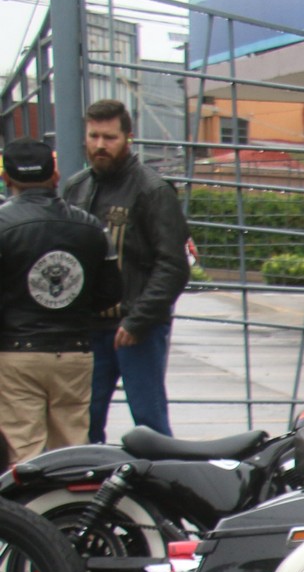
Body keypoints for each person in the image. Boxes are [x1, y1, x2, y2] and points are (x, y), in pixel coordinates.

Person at [61, 98, 189, 442]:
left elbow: (174, 266)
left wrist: (139, 320)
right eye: (94, 136)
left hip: (137, 330)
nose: (100, 145)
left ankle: (165, 478)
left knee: (151, 426)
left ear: (128, 138)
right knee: (83, 425)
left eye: (110, 137)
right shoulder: (76, 188)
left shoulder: (153, 190)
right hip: (89, 329)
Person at [0, 139, 120, 464]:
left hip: (16, 351)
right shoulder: (91, 227)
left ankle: (31, 499)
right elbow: (111, 293)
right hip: (75, 349)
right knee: (72, 450)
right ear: (55, 175)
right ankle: (73, 497)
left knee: (24, 450)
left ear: (6, 178)